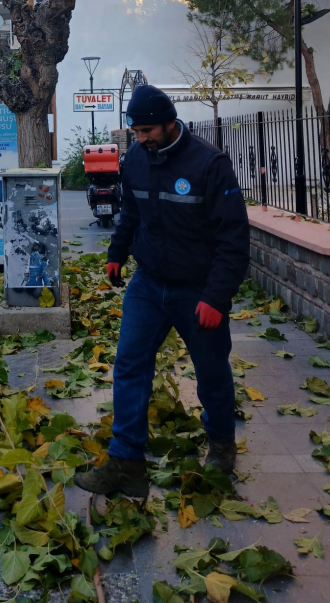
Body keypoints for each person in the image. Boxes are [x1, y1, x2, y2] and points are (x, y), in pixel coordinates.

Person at [75, 85, 250, 498]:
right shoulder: (136, 158)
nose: (141, 138)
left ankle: (222, 445)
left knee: (210, 372)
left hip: (198, 291)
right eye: (135, 131)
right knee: (130, 366)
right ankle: (126, 462)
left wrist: (216, 297)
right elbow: (131, 211)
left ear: (171, 122)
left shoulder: (210, 164)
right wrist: (117, 253)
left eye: (148, 130)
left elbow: (234, 239)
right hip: (149, 285)